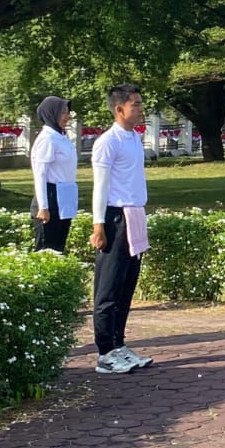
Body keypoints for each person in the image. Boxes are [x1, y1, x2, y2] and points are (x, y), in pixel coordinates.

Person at [90, 84, 154, 375]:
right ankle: (104, 352)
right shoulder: (108, 142)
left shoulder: (134, 139)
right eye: (136, 105)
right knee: (109, 287)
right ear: (119, 109)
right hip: (115, 217)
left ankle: (118, 343)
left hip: (135, 215)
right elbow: (100, 187)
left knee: (127, 285)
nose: (141, 109)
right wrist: (98, 225)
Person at [29, 97, 78, 253]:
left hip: (64, 197)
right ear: (52, 114)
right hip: (50, 198)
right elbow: (40, 175)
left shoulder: (62, 137)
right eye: (63, 112)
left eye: (68, 112)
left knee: (59, 249)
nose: (67, 116)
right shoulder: (47, 139)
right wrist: (43, 207)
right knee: (46, 251)